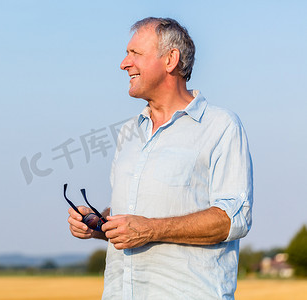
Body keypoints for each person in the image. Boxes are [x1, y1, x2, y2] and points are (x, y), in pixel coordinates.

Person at [67, 17, 253, 299]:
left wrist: (150, 229)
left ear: (170, 60)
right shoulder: (129, 132)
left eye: (135, 54)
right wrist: (98, 223)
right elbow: (131, 220)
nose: (124, 63)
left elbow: (232, 219)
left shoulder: (221, 126)